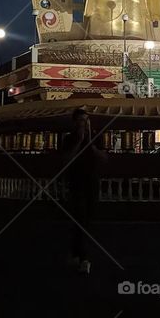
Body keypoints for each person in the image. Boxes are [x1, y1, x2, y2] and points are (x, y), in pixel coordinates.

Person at [61, 107, 100, 275]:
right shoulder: (68, 139)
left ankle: (76, 253)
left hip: (92, 183)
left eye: (86, 120)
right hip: (76, 183)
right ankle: (84, 258)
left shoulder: (95, 137)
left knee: (86, 220)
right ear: (74, 123)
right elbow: (66, 160)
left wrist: (89, 141)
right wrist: (79, 141)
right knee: (80, 218)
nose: (83, 124)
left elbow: (103, 157)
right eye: (80, 121)